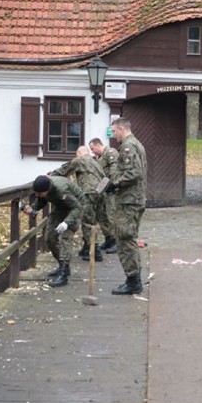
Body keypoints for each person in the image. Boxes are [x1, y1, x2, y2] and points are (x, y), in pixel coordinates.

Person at [105, 118, 147, 295]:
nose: (114, 136)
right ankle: (133, 279)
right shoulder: (137, 144)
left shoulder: (128, 146)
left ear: (122, 129)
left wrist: (115, 183)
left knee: (124, 239)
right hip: (134, 198)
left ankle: (133, 281)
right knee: (128, 238)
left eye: (114, 132)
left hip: (128, 200)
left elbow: (134, 172)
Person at [23, 174, 84, 288]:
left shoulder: (61, 190)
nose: (37, 195)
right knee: (50, 238)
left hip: (75, 208)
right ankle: (62, 265)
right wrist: (33, 209)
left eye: (39, 193)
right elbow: (42, 200)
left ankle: (63, 274)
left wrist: (66, 223)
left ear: (47, 189)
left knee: (66, 239)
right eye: (36, 192)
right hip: (60, 207)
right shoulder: (44, 190)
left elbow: (77, 207)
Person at [50, 145, 109, 262]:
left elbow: (63, 171)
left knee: (87, 222)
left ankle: (95, 252)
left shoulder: (79, 160)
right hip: (100, 193)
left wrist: (50, 176)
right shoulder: (95, 162)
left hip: (88, 193)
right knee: (93, 221)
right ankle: (87, 247)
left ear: (79, 153)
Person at [89, 137, 120, 254]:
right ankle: (109, 239)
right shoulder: (99, 158)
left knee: (111, 216)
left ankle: (116, 242)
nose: (92, 151)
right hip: (103, 190)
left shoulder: (110, 153)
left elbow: (114, 170)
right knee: (102, 216)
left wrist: (112, 184)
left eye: (93, 149)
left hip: (111, 190)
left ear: (98, 145)